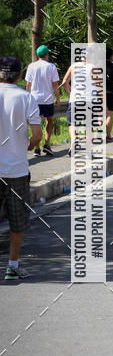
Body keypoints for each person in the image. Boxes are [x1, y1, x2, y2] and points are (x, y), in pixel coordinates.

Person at [0, 55, 42, 279]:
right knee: (18, 221)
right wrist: (26, 147)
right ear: (19, 74)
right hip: (16, 170)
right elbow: (37, 135)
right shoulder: (26, 98)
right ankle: (12, 266)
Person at [25, 44, 60, 156]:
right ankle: (47, 144)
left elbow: (28, 84)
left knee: (37, 122)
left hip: (35, 99)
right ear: (47, 55)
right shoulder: (51, 66)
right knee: (49, 121)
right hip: (48, 99)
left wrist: (28, 97)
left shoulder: (31, 66)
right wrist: (58, 97)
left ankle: (37, 148)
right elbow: (55, 84)